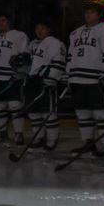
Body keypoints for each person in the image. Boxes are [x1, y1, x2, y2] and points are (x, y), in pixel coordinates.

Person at [67, 5, 104, 158]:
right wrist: (68, 76)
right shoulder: (75, 33)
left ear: (99, 15)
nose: (88, 15)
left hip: (96, 79)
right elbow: (71, 57)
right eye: (86, 12)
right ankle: (87, 143)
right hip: (77, 79)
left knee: (101, 113)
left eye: (92, 12)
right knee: (82, 113)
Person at [0, 14, 30, 145]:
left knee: (14, 105)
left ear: (9, 21)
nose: (0, 23)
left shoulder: (19, 36)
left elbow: (24, 56)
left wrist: (20, 71)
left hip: (11, 76)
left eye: (3, 20)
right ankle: (2, 133)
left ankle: (18, 134)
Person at [25, 21, 66, 152]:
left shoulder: (55, 43)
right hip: (33, 82)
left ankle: (52, 139)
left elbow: (59, 62)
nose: (39, 31)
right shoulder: (32, 44)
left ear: (48, 29)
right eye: (37, 27)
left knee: (48, 112)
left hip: (46, 81)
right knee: (34, 113)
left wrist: (52, 78)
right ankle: (39, 137)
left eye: (42, 28)